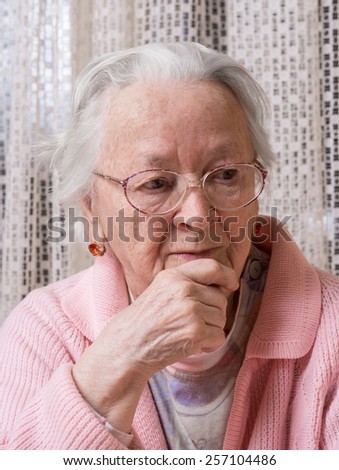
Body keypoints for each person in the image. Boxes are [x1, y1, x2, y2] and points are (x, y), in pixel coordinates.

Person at [0, 42, 338, 450]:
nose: (197, 214)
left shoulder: (331, 326)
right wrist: (121, 359)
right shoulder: (44, 332)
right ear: (92, 210)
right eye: (156, 183)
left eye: (227, 174)